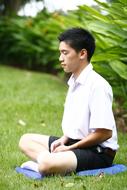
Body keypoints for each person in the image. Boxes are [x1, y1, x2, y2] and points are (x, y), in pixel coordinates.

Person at [19, 27, 119, 175]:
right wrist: (64, 139)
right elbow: (79, 124)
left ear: (82, 54)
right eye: (60, 53)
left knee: (46, 164)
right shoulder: (74, 81)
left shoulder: (98, 85)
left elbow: (104, 133)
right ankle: (51, 161)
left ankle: (44, 164)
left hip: (98, 152)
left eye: (65, 53)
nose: (60, 58)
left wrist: (71, 148)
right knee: (25, 140)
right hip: (74, 143)